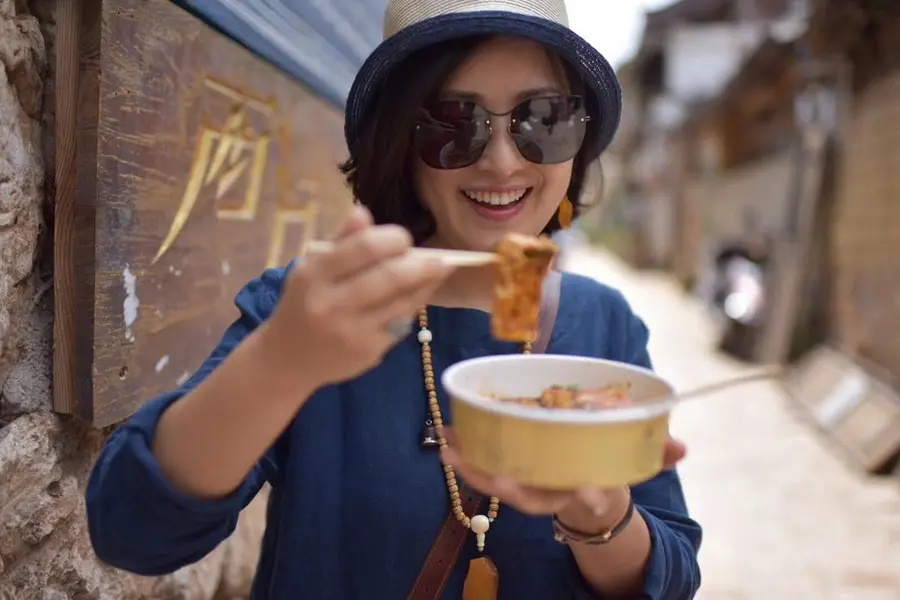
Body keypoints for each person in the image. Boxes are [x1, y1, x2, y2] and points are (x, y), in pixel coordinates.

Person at [85, 0, 702, 598]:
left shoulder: (607, 325)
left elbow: (670, 578)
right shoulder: (310, 312)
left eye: (543, 118)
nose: (502, 160)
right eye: (454, 123)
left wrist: (602, 513)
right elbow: (131, 532)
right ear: (400, 140)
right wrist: (280, 364)